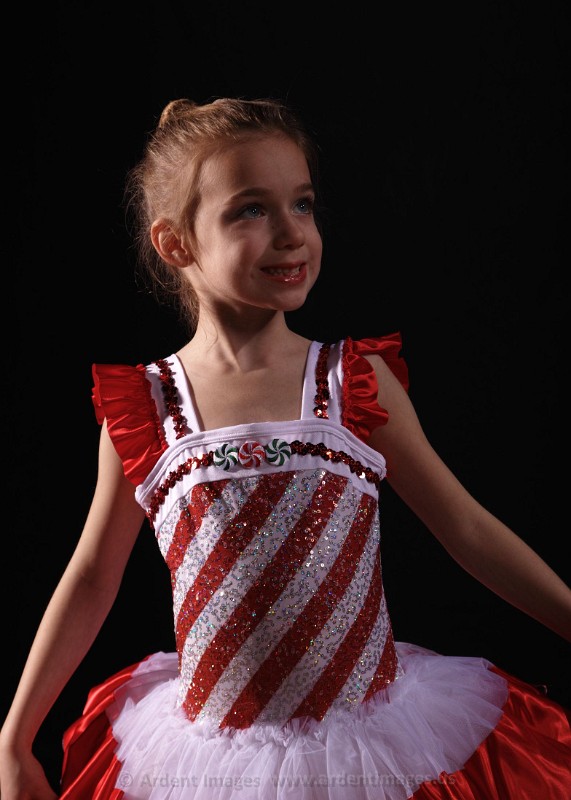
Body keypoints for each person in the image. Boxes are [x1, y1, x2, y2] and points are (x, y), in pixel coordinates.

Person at [1, 96, 570, 800]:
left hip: (366, 752)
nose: (292, 232)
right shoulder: (149, 407)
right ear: (176, 244)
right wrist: (14, 736)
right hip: (210, 767)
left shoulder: (352, 381)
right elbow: (92, 577)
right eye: (250, 210)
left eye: (301, 204)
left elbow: (467, 529)